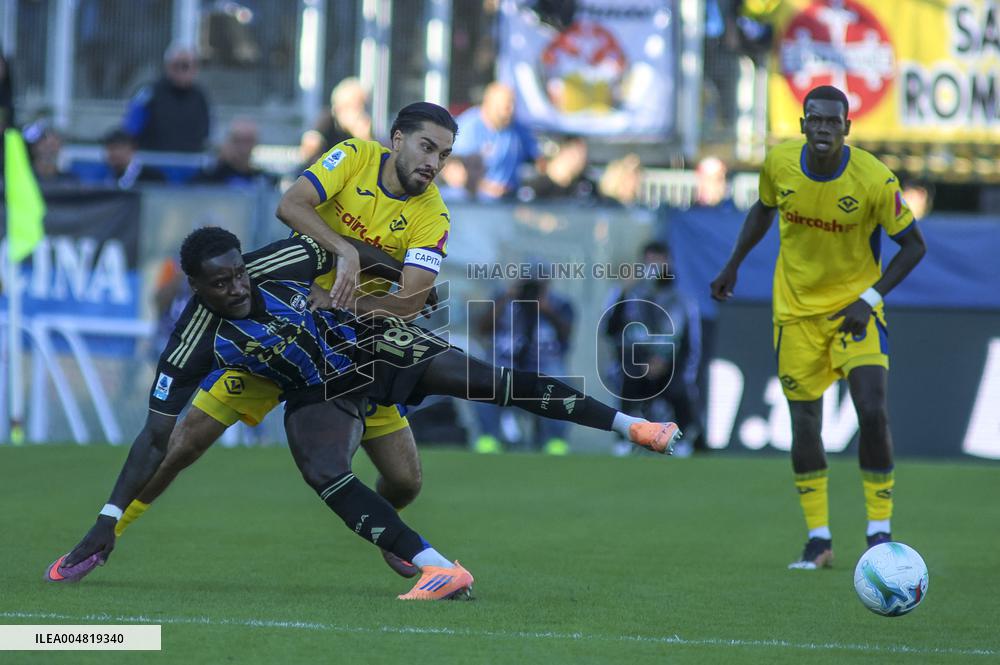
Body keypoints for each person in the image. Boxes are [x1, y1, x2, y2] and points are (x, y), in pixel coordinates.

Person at [47, 229, 682, 599]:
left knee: (488, 383)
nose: (237, 287)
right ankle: (438, 568)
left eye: (238, 273)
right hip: (313, 391)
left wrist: (399, 283)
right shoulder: (192, 343)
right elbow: (153, 437)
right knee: (320, 468)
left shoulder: (279, 261)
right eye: (220, 283)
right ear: (195, 286)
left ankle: (636, 427)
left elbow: (344, 246)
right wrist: (106, 519)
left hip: (367, 344)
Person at [108, 103, 457, 581]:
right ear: (397, 139)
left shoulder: (433, 211)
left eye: (444, 155)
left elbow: (414, 303)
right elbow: (289, 205)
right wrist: (345, 250)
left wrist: (349, 286)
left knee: (404, 479)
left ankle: (387, 530)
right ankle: (108, 533)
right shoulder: (354, 155)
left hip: (351, 349)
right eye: (427, 147)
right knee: (185, 443)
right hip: (280, 329)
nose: (434, 163)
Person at [710, 85, 927, 570]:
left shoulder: (873, 178)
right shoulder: (780, 165)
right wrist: (733, 265)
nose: (824, 128)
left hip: (856, 313)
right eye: (815, 120)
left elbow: (914, 245)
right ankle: (819, 540)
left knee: (872, 409)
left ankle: (878, 532)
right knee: (805, 423)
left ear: (847, 128)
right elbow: (763, 207)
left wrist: (868, 299)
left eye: (833, 121)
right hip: (796, 315)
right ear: (803, 124)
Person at [606, 241, 703, 457]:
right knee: (626, 379)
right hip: (635, 363)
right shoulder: (627, 296)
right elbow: (610, 331)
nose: (654, 267)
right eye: (649, 261)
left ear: (669, 263)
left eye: (659, 261)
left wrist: (666, 362)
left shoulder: (683, 301)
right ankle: (624, 437)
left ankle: (685, 438)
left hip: (671, 366)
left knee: (681, 388)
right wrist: (623, 293)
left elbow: (690, 344)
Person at [473, 270, 576, 455]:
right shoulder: (503, 298)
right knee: (484, 377)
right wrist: (506, 298)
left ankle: (555, 440)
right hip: (507, 359)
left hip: (543, 361)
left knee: (559, 380)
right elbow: (482, 328)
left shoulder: (560, 303)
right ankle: (489, 437)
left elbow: (567, 334)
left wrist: (546, 309)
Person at [452, 81, 541, 200]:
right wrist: (486, 188)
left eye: (513, 105)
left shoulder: (518, 129)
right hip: (472, 205)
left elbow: (539, 161)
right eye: (506, 106)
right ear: (489, 104)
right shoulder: (469, 128)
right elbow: (451, 170)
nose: (511, 111)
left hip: (509, 202)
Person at [122, 43, 211, 152]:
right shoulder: (149, 94)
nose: (180, 70)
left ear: (195, 68)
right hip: (153, 163)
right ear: (167, 66)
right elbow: (130, 131)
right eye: (175, 65)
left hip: (188, 164)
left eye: (185, 66)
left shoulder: (200, 97)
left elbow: (207, 133)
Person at [298, 77, 373, 171]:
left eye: (365, 106)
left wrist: (364, 138)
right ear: (342, 107)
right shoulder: (327, 119)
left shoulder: (364, 128)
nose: (362, 111)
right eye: (358, 105)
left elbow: (373, 161)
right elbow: (309, 144)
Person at [194, 118, 275, 187]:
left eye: (248, 141)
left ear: (256, 143)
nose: (243, 148)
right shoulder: (209, 179)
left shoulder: (264, 180)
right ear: (227, 142)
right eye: (237, 141)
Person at [98, 128, 166, 189]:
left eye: (118, 148)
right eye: (109, 149)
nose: (113, 153)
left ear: (132, 149)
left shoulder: (152, 177)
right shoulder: (103, 177)